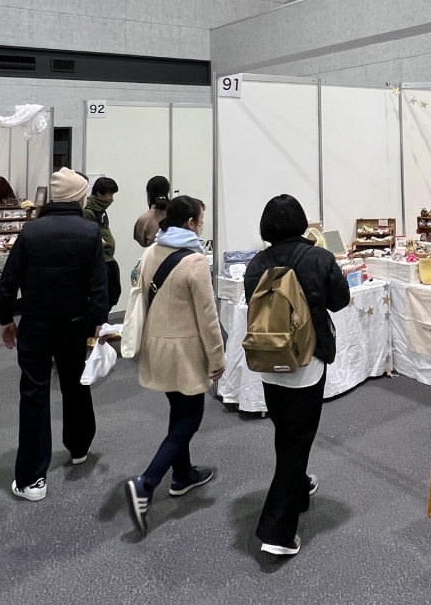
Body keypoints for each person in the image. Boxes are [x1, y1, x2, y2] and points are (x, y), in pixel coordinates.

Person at [241, 194, 350, 557]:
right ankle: (277, 532)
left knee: (287, 431)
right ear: (302, 222)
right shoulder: (319, 257)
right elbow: (340, 300)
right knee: (298, 439)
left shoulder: (257, 263)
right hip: (307, 361)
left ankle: (299, 487)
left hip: (268, 359)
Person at [0, 167, 108, 503]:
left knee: (34, 394)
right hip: (75, 324)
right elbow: (98, 287)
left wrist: (6, 319)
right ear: (78, 197)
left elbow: (9, 280)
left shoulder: (31, 231)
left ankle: (32, 478)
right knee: (76, 384)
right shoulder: (90, 232)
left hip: (35, 324)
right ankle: (79, 447)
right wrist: (97, 323)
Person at [124, 195, 223, 536]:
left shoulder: (152, 250)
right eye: (201, 221)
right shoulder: (195, 261)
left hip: (156, 346)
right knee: (191, 416)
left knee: (178, 410)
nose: (201, 226)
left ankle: (183, 475)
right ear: (191, 223)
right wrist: (218, 358)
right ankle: (147, 482)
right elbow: (208, 317)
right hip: (184, 351)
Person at [83, 176, 121, 310]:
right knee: (105, 296)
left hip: (109, 257)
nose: (111, 199)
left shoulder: (100, 209)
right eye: (109, 194)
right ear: (99, 193)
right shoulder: (88, 211)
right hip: (101, 259)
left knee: (114, 292)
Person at [132, 175, 170, 248]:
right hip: (180, 254)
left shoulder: (143, 219)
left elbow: (141, 241)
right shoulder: (179, 214)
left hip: (153, 254)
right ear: (167, 191)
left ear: (148, 194)